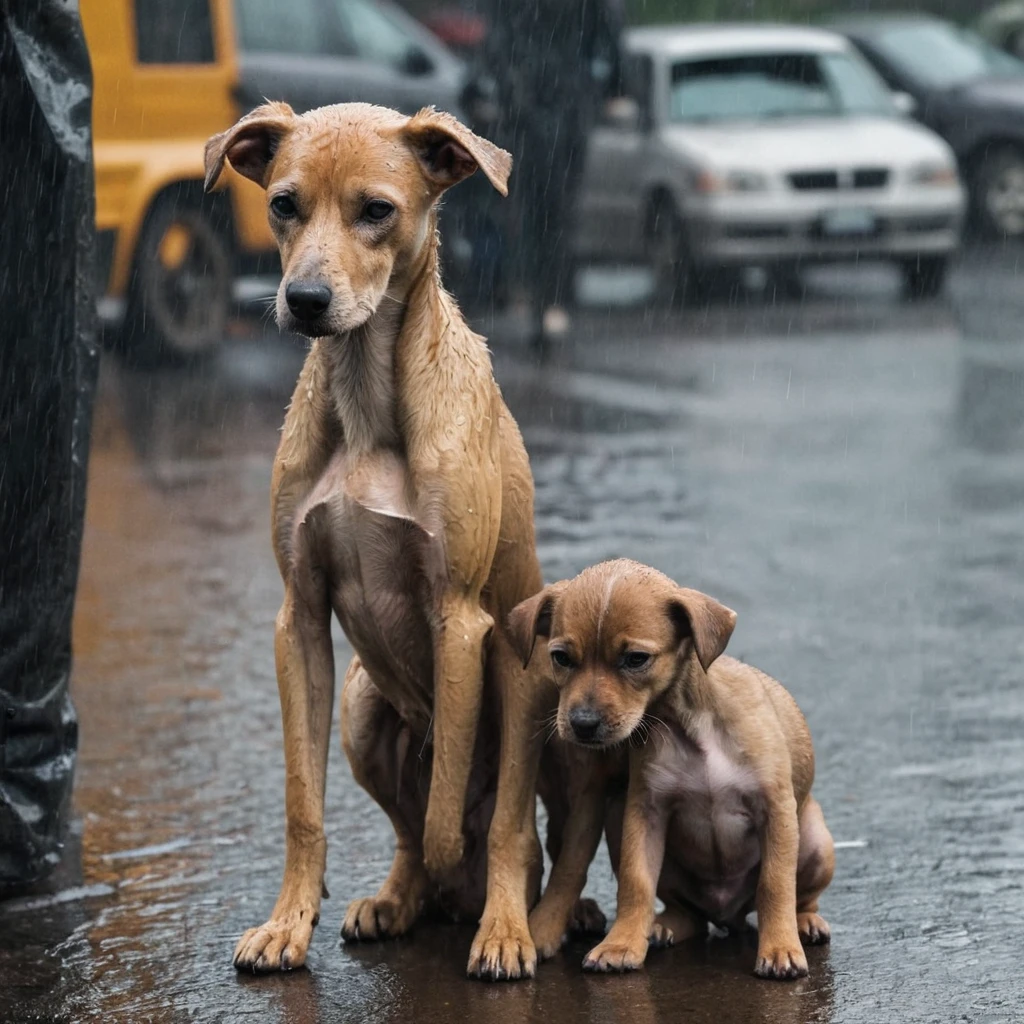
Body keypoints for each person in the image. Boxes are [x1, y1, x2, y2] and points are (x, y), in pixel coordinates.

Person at [466, 0, 625, 349]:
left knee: (545, 210)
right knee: (545, 210)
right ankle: (546, 300)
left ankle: (546, 299)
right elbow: (497, 42)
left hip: (545, 109)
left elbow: (608, 40)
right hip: (537, 108)